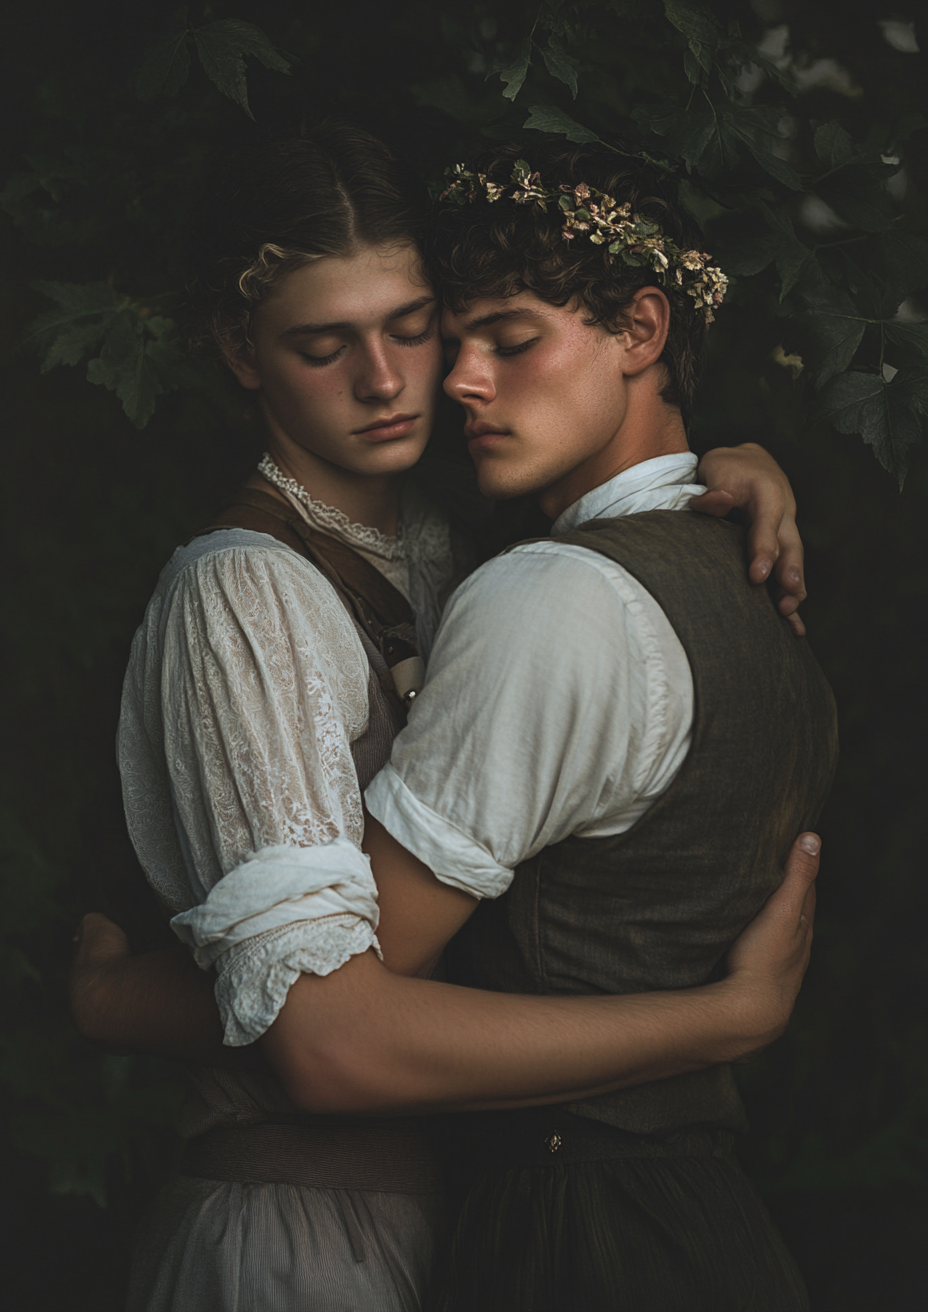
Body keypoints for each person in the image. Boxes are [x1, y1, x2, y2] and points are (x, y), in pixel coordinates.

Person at [72, 122, 824, 1312]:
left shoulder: (478, 549)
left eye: (417, 327)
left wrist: (729, 464)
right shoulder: (243, 588)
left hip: (484, 1226)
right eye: (325, 344)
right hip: (304, 1237)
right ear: (241, 349)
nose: (396, 380)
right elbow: (322, 1030)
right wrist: (719, 1021)